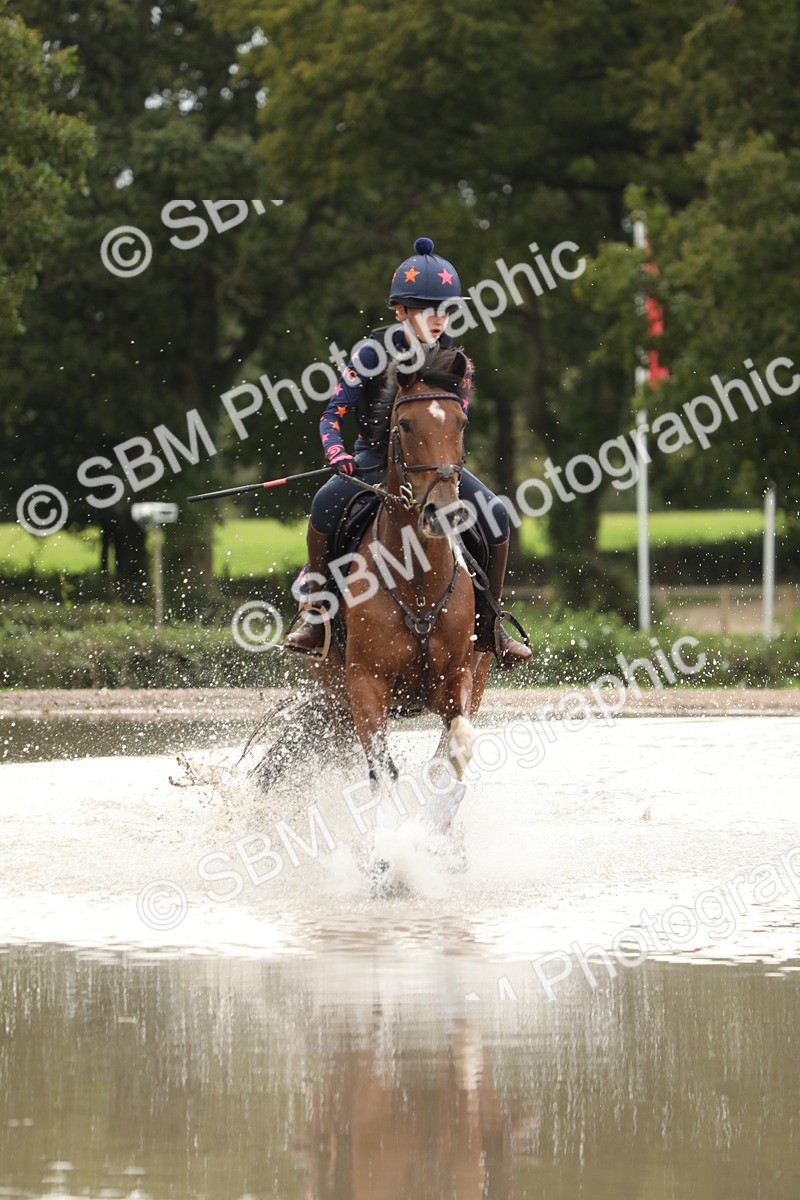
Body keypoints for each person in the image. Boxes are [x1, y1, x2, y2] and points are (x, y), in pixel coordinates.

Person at [284, 236, 531, 667]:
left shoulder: (455, 361)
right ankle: (318, 617)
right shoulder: (369, 353)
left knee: (496, 514)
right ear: (400, 311)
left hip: (435, 468)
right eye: (427, 309)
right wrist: (337, 453)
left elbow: (455, 423)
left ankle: (491, 623)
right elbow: (331, 415)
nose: (439, 319)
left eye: (446, 310)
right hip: (371, 463)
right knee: (324, 503)